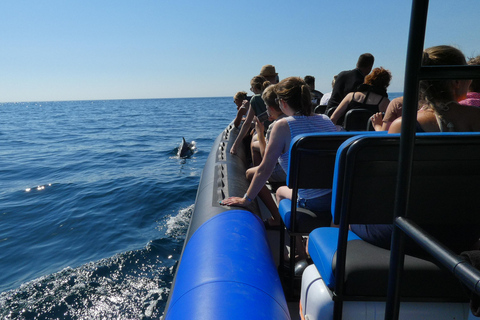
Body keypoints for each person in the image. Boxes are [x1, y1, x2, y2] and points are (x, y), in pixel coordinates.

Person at [351, 45, 480, 255]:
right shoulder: (477, 118)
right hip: (465, 232)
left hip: (410, 233)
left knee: (350, 217)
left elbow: (390, 190)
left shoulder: (404, 126)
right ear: (456, 80)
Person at [221, 77, 337, 232]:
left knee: (281, 191)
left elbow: (265, 169)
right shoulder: (326, 120)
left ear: (282, 103)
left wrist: (246, 199)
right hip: (336, 196)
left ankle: (295, 243)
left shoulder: (282, 126)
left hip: (312, 200)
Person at [230, 76, 270, 156]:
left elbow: (247, 124)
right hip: (277, 132)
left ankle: (258, 166)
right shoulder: (271, 96)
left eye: (251, 88)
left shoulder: (255, 99)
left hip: (267, 134)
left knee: (253, 144)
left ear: (255, 88)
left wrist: (235, 146)